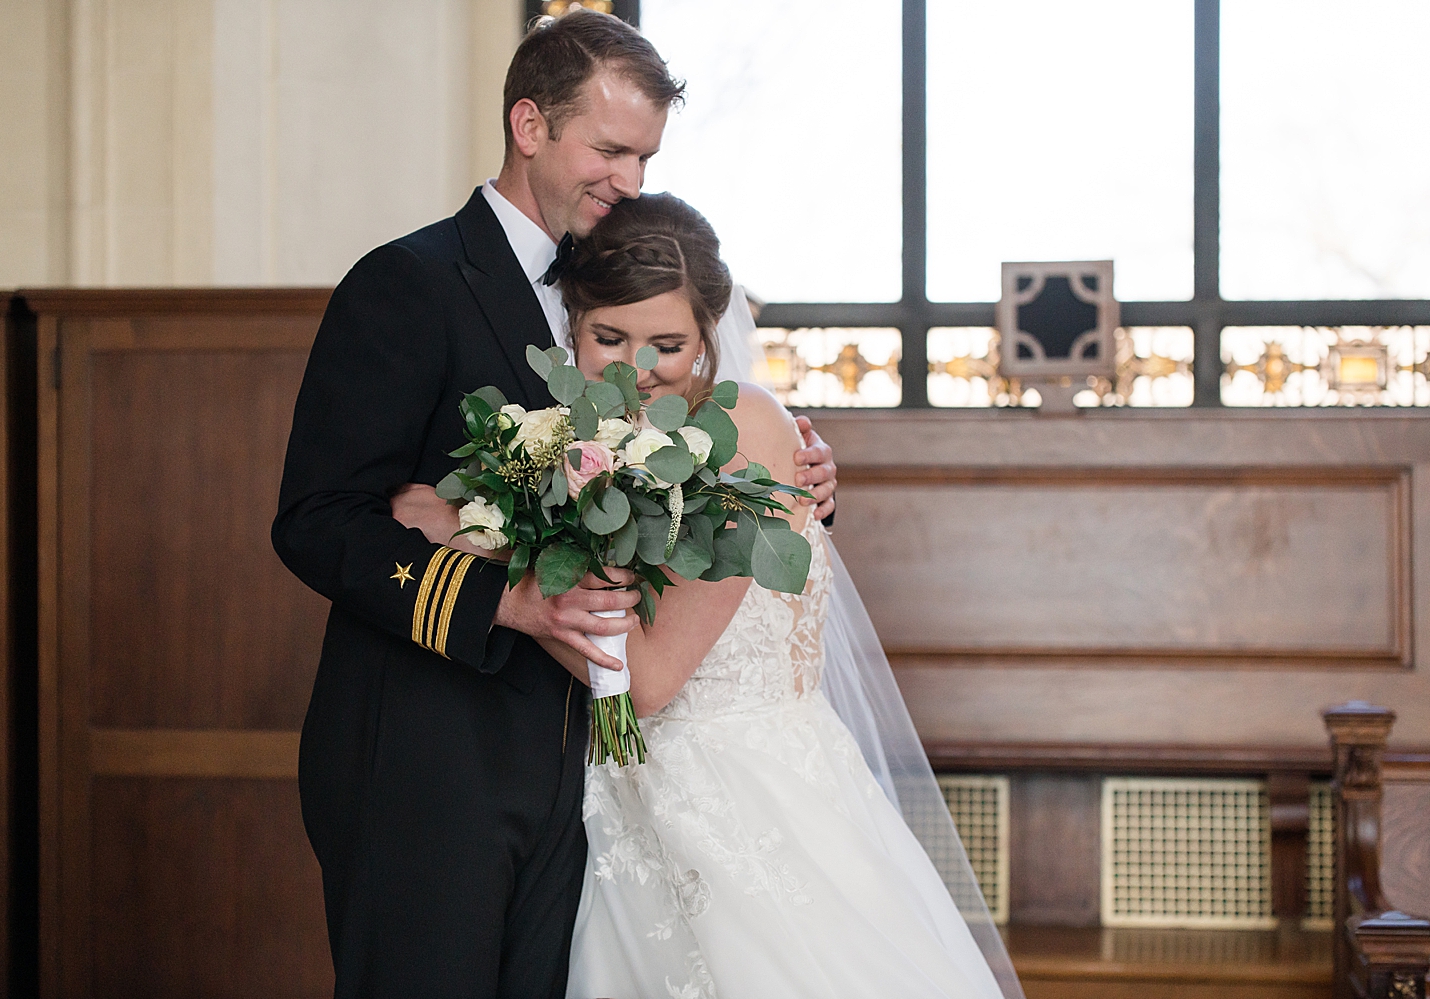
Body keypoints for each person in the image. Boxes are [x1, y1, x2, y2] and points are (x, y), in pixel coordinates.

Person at [272, 10, 836, 998]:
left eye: (646, 156)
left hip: (589, 777)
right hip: (429, 760)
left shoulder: (623, 278)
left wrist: (802, 483)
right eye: (609, 149)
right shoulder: (407, 284)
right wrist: (503, 598)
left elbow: (688, 472)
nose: (629, 180)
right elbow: (318, 519)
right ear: (529, 124)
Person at [396, 192, 1024, 998]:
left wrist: (479, 545)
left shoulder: (751, 429)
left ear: (707, 337)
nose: (635, 367)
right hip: (632, 805)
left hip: (748, 804)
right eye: (607, 337)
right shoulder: (580, 443)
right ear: (570, 324)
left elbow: (650, 681)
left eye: (668, 343)